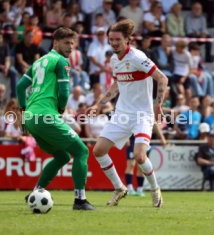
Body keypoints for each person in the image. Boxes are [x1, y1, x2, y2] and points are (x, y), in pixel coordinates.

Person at [88, 19, 168, 207]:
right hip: (122, 114)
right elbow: (116, 85)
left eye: (117, 40)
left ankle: (155, 190)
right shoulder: (114, 59)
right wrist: (98, 105)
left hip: (142, 114)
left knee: (140, 156)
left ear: (127, 40)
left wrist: (158, 106)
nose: (114, 43)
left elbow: (162, 79)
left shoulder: (138, 57)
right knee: (98, 151)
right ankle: (119, 187)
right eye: (111, 40)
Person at [16, 27, 95, 210]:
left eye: (72, 43)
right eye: (66, 43)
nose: (70, 47)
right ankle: (80, 200)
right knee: (82, 152)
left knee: (62, 156)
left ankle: (35, 192)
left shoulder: (39, 61)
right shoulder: (61, 61)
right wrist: (60, 109)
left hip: (31, 118)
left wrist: (23, 112)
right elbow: (64, 92)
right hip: (46, 115)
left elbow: (20, 87)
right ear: (55, 42)